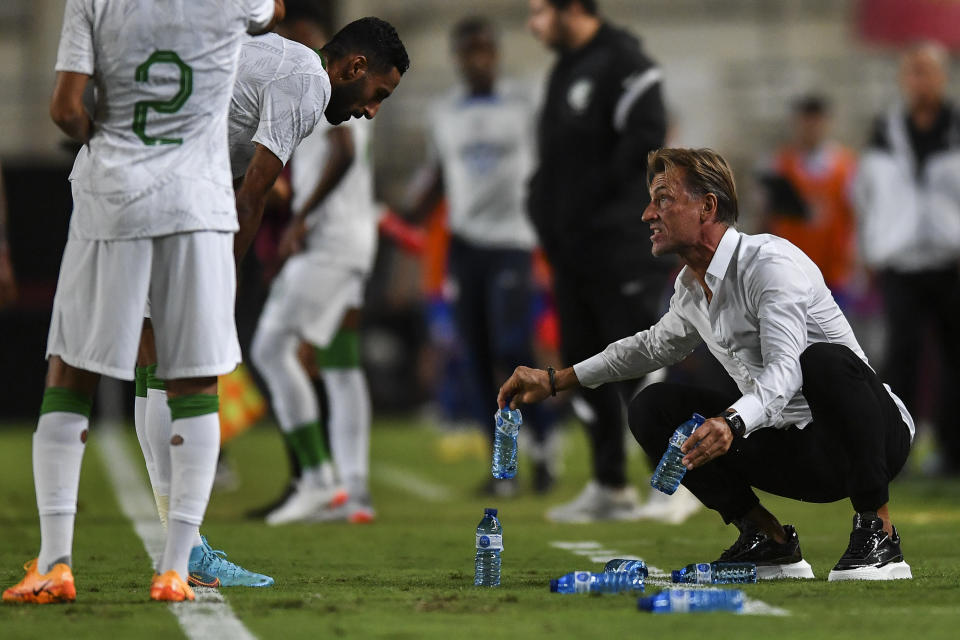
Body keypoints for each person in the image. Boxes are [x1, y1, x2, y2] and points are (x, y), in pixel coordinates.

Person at [499, 148, 916, 581]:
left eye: (662, 198)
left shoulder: (770, 264)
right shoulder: (690, 288)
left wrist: (732, 423)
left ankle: (879, 532)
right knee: (652, 408)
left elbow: (786, 372)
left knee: (824, 361)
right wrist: (555, 380)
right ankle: (767, 541)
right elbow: (649, 348)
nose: (647, 214)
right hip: (799, 455)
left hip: (872, 443)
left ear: (707, 206)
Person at [2, 0, 283, 605]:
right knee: (192, 382)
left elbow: (64, 109)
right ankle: (178, 568)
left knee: (71, 373)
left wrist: (104, 137)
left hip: (115, 195)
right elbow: (272, 11)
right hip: (198, 202)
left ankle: (54, 563)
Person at [136, 16, 408, 579]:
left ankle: (182, 544)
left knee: (153, 362)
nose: (371, 111)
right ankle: (190, 546)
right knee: (186, 369)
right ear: (354, 67)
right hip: (174, 192)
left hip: (142, 177)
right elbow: (253, 192)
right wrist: (223, 279)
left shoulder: (274, 57)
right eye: (377, 94)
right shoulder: (308, 80)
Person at [525, 0, 682, 522]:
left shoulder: (624, 61)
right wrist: (545, 209)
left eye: (539, 11)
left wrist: (595, 210)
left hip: (620, 247)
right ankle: (609, 484)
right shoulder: (564, 69)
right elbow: (557, 161)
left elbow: (644, 147)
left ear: (571, 9)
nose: (533, 24)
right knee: (581, 367)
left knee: (639, 363)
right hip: (573, 253)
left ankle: (682, 482)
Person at [250, 16, 409, 526]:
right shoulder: (336, 90)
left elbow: (338, 154)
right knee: (340, 365)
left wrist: (298, 218)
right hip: (352, 240)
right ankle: (354, 492)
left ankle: (318, 479)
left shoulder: (318, 86)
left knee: (270, 349)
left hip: (331, 243)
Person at [402, 16, 556, 495]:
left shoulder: (524, 103)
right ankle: (503, 470)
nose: (480, 59)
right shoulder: (444, 111)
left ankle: (544, 447)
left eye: (486, 50)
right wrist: (412, 208)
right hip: (464, 245)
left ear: (496, 53)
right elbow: (440, 174)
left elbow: (548, 165)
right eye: (470, 52)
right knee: (473, 358)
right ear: (459, 58)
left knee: (512, 350)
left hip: (512, 240)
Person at [853, 41, 960, 476]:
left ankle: (954, 452)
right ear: (903, 80)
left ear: (943, 77)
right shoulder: (883, 133)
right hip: (899, 263)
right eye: (913, 72)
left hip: (952, 262)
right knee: (901, 359)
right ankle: (896, 453)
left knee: (956, 359)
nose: (921, 81)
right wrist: (869, 249)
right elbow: (866, 198)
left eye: (928, 72)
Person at [758, 95, 858, 300]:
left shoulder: (845, 168)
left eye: (816, 122)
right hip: (790, 273)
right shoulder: (780, 166)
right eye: (805, 122)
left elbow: (856, 215)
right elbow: (766, 216)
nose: (811, 128)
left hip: (833, 271)